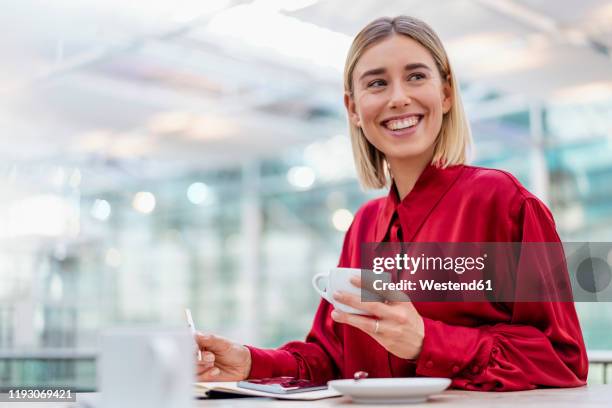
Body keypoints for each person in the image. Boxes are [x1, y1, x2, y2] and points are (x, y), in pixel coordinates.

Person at [194, 15, 588, 391]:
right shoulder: (365, 224)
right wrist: (248, 362)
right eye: (377, 83)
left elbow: (563, 359)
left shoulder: (502, 203)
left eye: (416, 76)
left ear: (446, 93)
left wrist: (426, 341)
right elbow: (330, 357)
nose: (399, 98)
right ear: (353, 108)